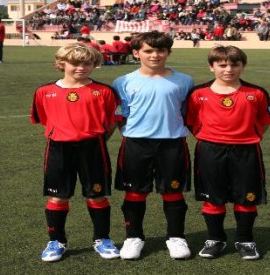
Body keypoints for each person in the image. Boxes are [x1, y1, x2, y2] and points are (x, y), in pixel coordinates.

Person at [186, 46, 270, 261]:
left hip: (246, 150)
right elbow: (191, 122)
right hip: (210, 150)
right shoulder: (198, 93)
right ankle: (215, 239)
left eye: (235, 64)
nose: (229, 69)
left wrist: (246, 136)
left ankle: (245, 239)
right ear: (211, 67)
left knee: (247, 196)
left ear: (242, 66)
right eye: (222, 65)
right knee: (213, 196)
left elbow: (265, 122)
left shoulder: (256, 93)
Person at [30, 42, 120, 262]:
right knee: (58, 196)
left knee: (97, 194)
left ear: (94, 64)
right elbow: (44, 119)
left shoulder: (104, 91)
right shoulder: (44, 92)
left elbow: (111, 122)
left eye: (87, 63)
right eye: (75, 63)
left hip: (93, 147)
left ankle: (102, 239)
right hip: (59, 148)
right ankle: (56, 241)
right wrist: (65, 132)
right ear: (62, 63)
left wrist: (91, 136)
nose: (81, 68)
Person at [112, 31, 194, 260]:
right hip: (136, 144)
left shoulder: (184, 81)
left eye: (160, 50)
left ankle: (176, 237)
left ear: (168, 52)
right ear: (136, 53)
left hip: (172, 144)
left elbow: (188, 113)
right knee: (135, 192)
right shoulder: (123, 82)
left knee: (173, 192)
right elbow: (120, 115)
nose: (155, 55)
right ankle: (133, 237)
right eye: (148, 50)